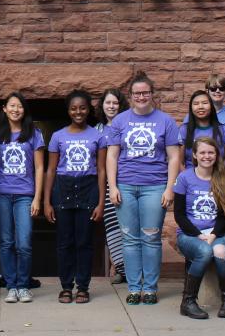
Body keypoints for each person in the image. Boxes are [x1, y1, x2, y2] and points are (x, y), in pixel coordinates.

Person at [106, 73, 182, 305]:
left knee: (150, 237)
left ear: (152, 94)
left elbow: (174, 156)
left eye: (145, 92)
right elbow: (112, 155)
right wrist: (112, 186)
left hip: (155, 186)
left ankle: (149, 288)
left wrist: (170, 188)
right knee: (129, 238)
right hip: (126, 186)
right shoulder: (120, 121)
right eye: (137, 93)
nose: (141, 97)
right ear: (130, 97)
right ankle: (133, 288)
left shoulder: (166, 121)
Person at [44, 89, 105, 304]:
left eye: (82, 108)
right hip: (63, 188)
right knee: (65, 242)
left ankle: (83, 287)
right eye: (73, 108)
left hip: (88, 188)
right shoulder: (58, 136)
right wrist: (47, 201)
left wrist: (100, 202)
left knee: (84, 242)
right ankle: (66, 287)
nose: (78, 112)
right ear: (68, 110)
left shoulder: (97, 136)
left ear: (89, 110)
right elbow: (50, 170)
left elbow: (101, 170)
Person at [174, 137, 225, 319]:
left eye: (211, 152)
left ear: (216, 155)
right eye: (202, 152)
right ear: (195, 155)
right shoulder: (184, 178)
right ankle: (188, 302)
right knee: (203, 251)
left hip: (215, 232)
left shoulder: (223, 178)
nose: (207, 156)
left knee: (220, 251)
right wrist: (197, 234)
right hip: (189, 234)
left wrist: (213, 234)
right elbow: (179, 215)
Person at [0, 92, 45, 302]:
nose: (15, 110)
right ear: (4, 108)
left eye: (19, 106)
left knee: (24, 242)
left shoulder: (34, 133)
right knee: (6, 241)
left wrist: (37, 198)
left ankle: (23, 285)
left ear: (24, 110)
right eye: (12, 106)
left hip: (25, 195)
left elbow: (40, 167)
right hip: (1, 193)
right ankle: (11, 285)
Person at [96, 88, 126, 284]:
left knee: (128, 226)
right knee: (112, 227)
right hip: (105, 185)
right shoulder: (97, 130)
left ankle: (133, 268)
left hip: (126, 181)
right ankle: (121, 269)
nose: (111, 106)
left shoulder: (127, 126)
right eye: (108, 103)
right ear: (102, 106)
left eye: (115, 103)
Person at [181, 90, 225, 167]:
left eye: (205, 103)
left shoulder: (224, 130)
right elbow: (179, 163)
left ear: (211, 106)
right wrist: (188, 178)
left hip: (218, 176)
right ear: (191, 108)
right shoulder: (183, 130)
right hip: (189, 176)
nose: (200, 107)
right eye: (196, 104)